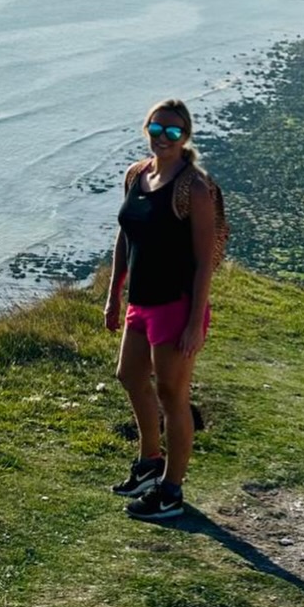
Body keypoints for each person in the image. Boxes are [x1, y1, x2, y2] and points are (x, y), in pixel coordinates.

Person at [104, 99, 217, 522]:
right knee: (129, 375)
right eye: (156, 129)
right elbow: (125, 236)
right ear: (146, 129)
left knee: (172, 394)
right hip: (141, 301)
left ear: (185, 137)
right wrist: (114, 293)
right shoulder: (136, 175)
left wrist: (195, 323)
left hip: (176, 305)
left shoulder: (195, 189)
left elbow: (204, 262)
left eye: (172, 132)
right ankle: (150, 463)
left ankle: (171, 491)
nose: (162, 138)